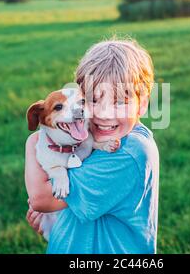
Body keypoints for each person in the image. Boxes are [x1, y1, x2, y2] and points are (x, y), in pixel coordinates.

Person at [25, 38, 159, 253]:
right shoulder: (87, 139)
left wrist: (32, 141)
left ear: (142, 104)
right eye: (93, 101)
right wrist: (54, 227)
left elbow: (41, 198)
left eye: (119, 102)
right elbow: (67, 206)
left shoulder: (129, 153)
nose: (105, 114)